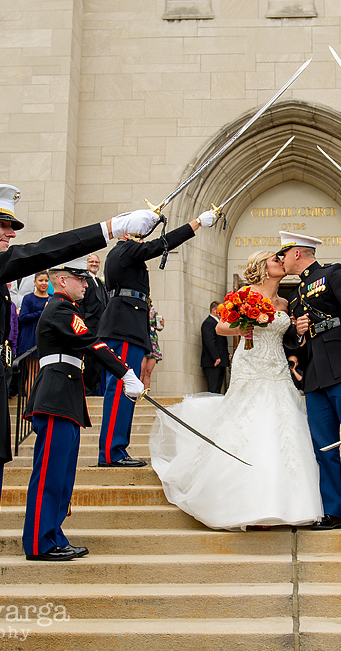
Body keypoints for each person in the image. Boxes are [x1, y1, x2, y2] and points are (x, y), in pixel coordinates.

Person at [0, 182, 159, 651]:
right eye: (0, 224)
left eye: (10, 225)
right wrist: (108, 230)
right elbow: (30, 256)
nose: (8, 232)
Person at [150, 251, 323, 530]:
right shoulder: (245, 294)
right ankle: (245, 500)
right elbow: (220, 327)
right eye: (275, 260)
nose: (281, 262)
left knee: (283, 425)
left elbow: (289, 341)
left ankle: (286, 501)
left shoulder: (285, 301)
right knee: (249, 423)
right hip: (250, 365)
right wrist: (244, 327)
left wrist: (299, 331)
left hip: (276, 367)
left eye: (281, 259)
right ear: (262, 267)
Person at [23, 259, 135, 560]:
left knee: (61, 476)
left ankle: (53, 534)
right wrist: (125, 372)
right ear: (62, 281)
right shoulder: (61, 309)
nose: (85, 285)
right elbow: (91, 343)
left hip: (66, 396)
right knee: (50, 474)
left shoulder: (66, 309)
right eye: (79, 280)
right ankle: (39, 542)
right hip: (56, 396)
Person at [280, 231, 341, 532]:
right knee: (324, 447)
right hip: (315, 378)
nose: (280, 260)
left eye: (283, 254)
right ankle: (333, 511)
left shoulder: (334, 274)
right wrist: (297, 331)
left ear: (297, 253)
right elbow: (296, 342)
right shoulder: (296, 296)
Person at [96, 211, 214, 468]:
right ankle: (112, 453)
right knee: (120, 390)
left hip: (128, 324)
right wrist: (195, 223)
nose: (141, 238)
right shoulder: (125, 249)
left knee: (122, 390)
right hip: (124, 326)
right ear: (126, 233)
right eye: (138, 232)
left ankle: (115, 450)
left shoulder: (124, 253)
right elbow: (161, 244)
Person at [81, 253, 109, 396]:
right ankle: (87, 390)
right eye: (91, 261)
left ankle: (96, 390)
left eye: (97, 262)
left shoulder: (99, 281)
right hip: (89, 326)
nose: (94, 264)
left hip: (100, 328)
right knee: (89, 361)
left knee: (98, 360)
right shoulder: (84, 281)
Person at [17, 271, 51, 356]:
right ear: (35, 282)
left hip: (46, 337)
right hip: (30, 337)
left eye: (46, 280)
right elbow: (23, 317)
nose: (44, 283)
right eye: (40, 280)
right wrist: (42, 312)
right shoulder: (28, 298)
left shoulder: (52, 298)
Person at [200, 301, 229, 393]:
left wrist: (226, 354)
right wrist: (216, 357)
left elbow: (221, 343)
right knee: (213, 389)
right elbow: (209, 342)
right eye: (221, 310)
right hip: (212, 362)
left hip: (220, 361)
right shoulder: (208, 323)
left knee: (218, 389)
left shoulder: (217, 323)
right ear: (214, 310)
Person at [140, 303, 164, 390]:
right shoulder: (140, 310)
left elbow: (159, 327)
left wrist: (161, 324)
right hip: (143, 342)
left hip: (153, 343)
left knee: (148, 371)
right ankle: (137, 394)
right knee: (141, 371)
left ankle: (146, 394)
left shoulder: (154, 311)